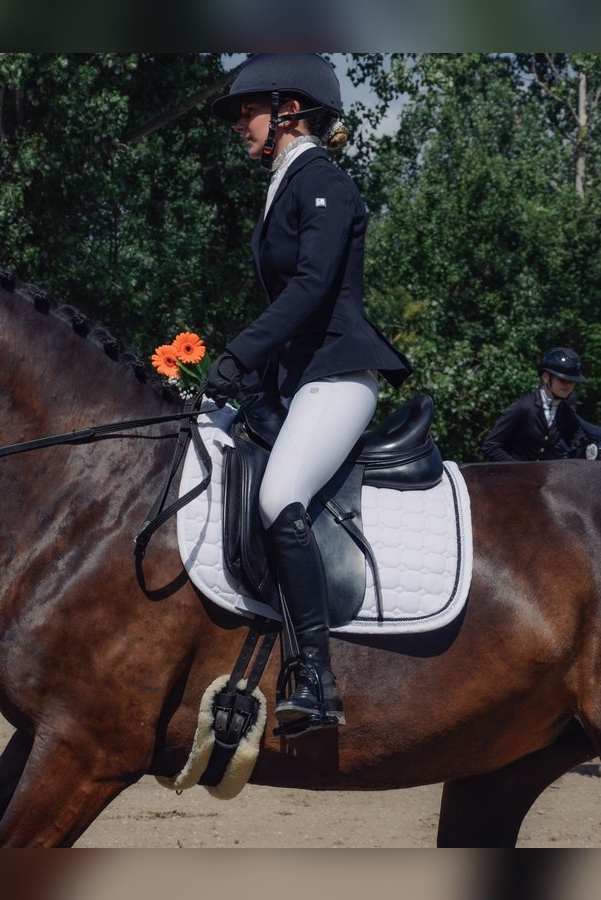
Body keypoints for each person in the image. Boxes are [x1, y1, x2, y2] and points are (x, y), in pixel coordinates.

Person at [202, 53, 412, 735]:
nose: (240, 123)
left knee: (276, 495)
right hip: (297, 379)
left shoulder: (325, 184)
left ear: (289, 109)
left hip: (339, 374)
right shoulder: (287, 185)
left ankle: (316, 679)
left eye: (248, 109)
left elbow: (313, 289)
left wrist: (239, 355)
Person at [481, 347, 587, 462]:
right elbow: (490, 446)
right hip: (509, 475)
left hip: (542, 477)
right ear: (546, 377)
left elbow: (578, 440)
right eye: (562, 380)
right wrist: (520, 470)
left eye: (571, 381)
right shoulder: (522, 407)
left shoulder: (564, 412)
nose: (567, 386)